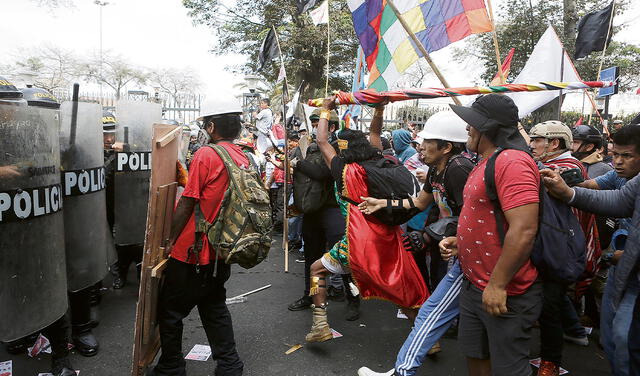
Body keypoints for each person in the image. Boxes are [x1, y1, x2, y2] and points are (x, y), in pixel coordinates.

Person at [357, 110, 473, 376]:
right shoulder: (436, 168)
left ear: (445, 147)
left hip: (471, 251)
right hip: (459, 249)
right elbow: (419, 202)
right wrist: (381, 203)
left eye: (427, 141)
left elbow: (471, 216)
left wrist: (430, 235)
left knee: (435, 313)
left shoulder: (459, 169)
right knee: (433, 313)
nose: (420, 145)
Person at [303, 99, 428, 343]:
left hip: (358, 239)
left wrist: (326, 110)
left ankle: (320, 325)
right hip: (387, 236)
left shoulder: (342, 169)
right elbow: (375, 133)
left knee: (316, 270)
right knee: (398, 288)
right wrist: (379, 109)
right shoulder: (377, 160)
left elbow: (321, 141)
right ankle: (427, 339)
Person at [446, 94, 542, 376]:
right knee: (476, 356)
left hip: (505, 291)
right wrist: (462, 243)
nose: (467, 128)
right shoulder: (485, 160)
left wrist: (498, 285)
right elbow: (486, 216)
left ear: (488, 128)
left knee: (508, 370)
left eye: (472, 123)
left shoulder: (512, 162)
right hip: (475, 285)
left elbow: (524, 229)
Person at [150, 98, 245, 376]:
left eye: (205, 125)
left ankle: (171, 366)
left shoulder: (207, 153)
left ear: (212, 126)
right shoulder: (241, 155)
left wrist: (168, 239)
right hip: (221, 249)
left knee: (170, 311)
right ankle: (230, 366)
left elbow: (188, 202)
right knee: (214, 306)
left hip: (193, 249)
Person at [540, 166, 640, 376]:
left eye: (627, 156)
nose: (619, 161)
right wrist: (568, 192)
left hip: (627, 265)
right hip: (626, 273)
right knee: (615, 338)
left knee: (624, 338)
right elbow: (620, 200)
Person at [527, 121, 601, 375]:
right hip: (546, 244)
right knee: (552, 300)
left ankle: (550, 362)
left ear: (554, 143)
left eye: (536, 140)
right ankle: (577, 332)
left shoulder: (570, 168)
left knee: (550, 305)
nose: (531, 145)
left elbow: (540, 178)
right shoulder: (553, 164)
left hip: (560, 247)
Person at [288, 109, 360, 321]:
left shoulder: (340, 148)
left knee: (343, 258)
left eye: (319, 123)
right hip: (313, 210)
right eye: (314, 123)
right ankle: (310, 295)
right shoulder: (309, 148)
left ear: (332, 128)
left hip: (333, 210)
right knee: (312, 257)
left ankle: (353, 299)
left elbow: (321, 173)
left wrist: (298, 164)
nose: (314, 127)